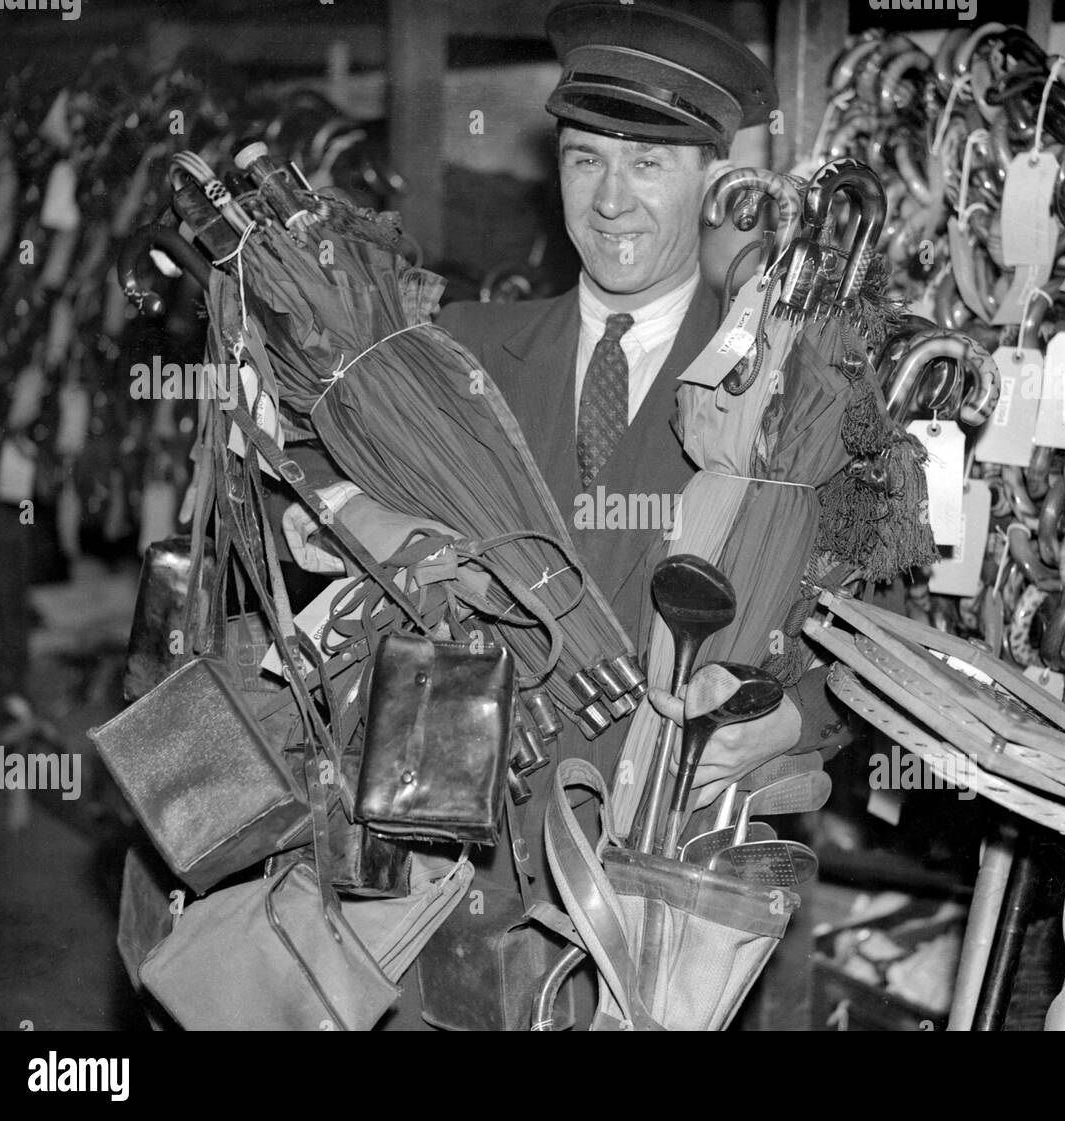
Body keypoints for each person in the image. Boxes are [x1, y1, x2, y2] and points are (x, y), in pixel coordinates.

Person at [284, 0, 852, 1029]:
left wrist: (780, 719)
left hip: (658, 902)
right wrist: (363, 521)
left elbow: (856, 633)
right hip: (444, 885)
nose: (612, 200)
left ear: (716, 185)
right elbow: (298, 466)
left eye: (650, 165)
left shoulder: (789, 391)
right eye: (587, 159)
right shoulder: (455, 348)